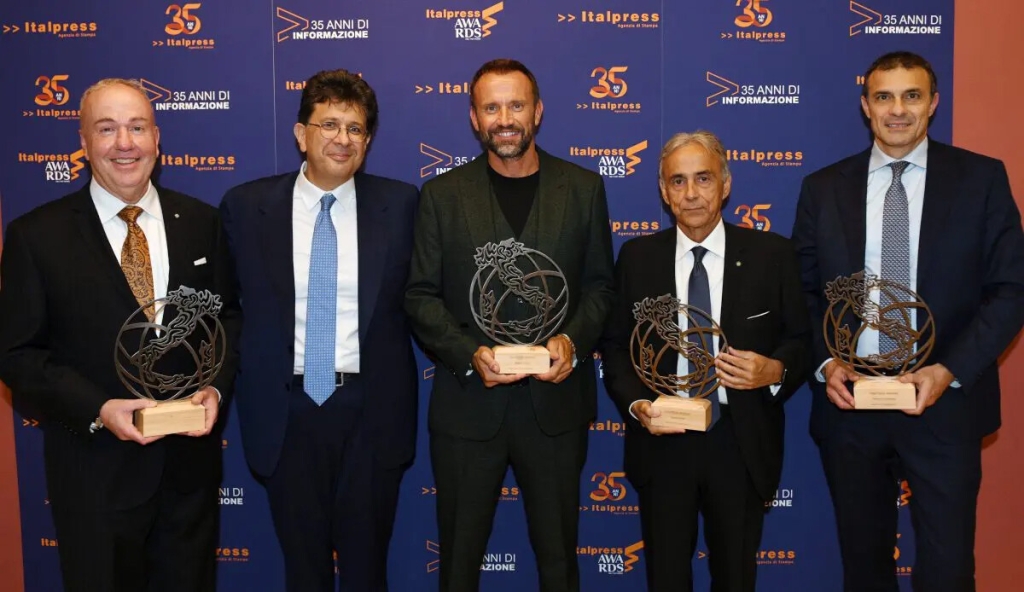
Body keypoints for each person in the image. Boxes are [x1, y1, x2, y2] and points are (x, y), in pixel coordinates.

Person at [791, 51, 1024, 592]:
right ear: (866, 106)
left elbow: (1011, 289)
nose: (898, 110)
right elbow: (801, 292)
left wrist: (948, 370)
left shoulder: (982, 179)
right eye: (884, 97)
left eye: (911, 96)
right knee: (864, 570)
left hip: (945, 405)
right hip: (852, 407)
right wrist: (826, 365)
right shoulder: (822, 188)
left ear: (933, 103)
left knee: (948, 571)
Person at [0, 78, 240, 592]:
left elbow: (226, 319)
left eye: (137, 127)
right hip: (94, 478)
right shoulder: (35, 236)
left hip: (187, 479)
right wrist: (98, 408)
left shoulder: (203, 222)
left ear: (157, 138)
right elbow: (17, 355)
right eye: (107, 129)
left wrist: (215, 389)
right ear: (84, 143)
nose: (125, 143)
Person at [404, 58, 614, 592]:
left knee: (560, 565)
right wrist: (468, 354)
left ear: (537, 111)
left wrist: (572, 342)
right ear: (474, 118)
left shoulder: (584, 189)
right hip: (468, 409)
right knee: (457, 566)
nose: (504, 119)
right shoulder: (441, 196)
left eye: (515, 105)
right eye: (491, 107)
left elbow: (600, 288)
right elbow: (421, 296)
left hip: (556, 409)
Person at [219, 69, 419, 592]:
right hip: (286, 411)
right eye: (328, 124)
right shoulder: (246, 207)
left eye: (355, 128)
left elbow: (425, 299)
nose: (342, 139)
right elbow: (224, 309)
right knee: (303, 569)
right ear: (300, 133)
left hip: (371, 412)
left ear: (368, 141)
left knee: (367, 570)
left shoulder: (402, 206)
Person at [600, 131, 810, 592]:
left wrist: (775, 370)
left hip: (739, 440)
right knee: (666, 579)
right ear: (663, 190)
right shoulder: (637, 257)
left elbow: (801, 339)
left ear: (726, 184)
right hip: (663, 440)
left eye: (703, 178)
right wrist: (638, 406)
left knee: (735, 578)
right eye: (678, 181)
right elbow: (614, 346)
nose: (691, 193)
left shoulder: (771, 255)